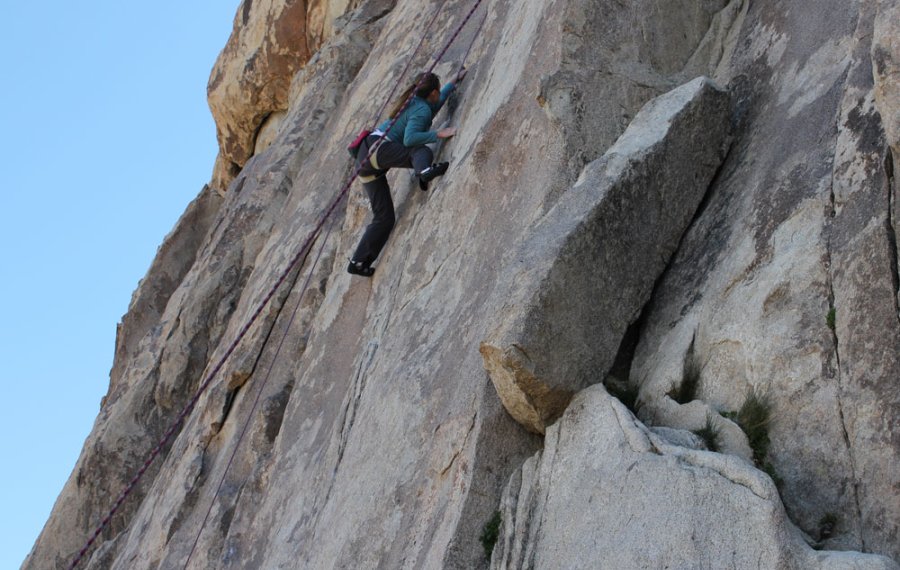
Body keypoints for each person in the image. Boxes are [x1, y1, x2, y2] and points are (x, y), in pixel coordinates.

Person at [348, 69, 466, 277]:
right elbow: (410, 139)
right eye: (438, 91)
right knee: (419, 149)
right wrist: (437, 133)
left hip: (366, 160)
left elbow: (432, 107)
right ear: (432, 93)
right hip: (379, 150)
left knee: (384, 218)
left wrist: (452, 83)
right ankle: (425, 171)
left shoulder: (414, 101)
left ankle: (358, 262)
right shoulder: (421, 109)